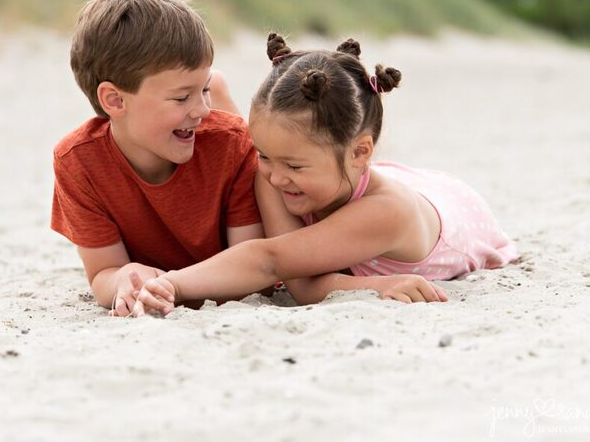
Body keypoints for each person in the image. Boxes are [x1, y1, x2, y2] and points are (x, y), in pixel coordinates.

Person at [130, 33, 519, 316]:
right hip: (345, 179)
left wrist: (173, 282)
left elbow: (275, 262)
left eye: (294, 165)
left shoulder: (387, 213)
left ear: (359, 151)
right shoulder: (277, 173)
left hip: (446, 208)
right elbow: (300, 277)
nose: (274, 178)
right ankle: (227, 101)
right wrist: (275, 162)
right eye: (266, 155)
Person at [51, 0, 264, 316]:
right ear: (115, 100)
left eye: (202, 90)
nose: (201, 110)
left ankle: (217, 89)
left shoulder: (232, 146)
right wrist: (123, 279)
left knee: (242, 136)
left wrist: (172, 284)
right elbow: (103, 273)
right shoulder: (77, 162)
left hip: (212, 264)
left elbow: (252, 268)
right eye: (182, 97)